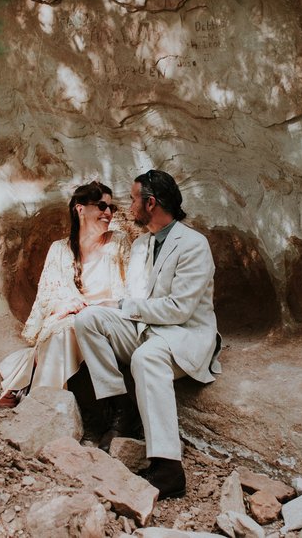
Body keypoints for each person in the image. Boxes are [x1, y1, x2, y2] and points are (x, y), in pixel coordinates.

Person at [74, 169, 221, 499]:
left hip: (184, 335)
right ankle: (121, 406)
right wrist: (117, 307)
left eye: (134, 199)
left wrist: (127, 307)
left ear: (151, 203)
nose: (129, 206)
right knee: (89, 320)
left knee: (146, 356)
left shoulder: (194, 244)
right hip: (147, 329)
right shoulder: (141, 245)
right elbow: (133, 298)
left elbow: (179, 309)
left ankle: (168, 467)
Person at [0, 181, 130, 407]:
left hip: (107, 315)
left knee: (75, 326)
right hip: (69, 315)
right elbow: (49, 293)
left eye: (111, 208)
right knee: (65, 329)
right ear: (80, 209)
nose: (108, 213)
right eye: (101, 206)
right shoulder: (60, 249)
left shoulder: (118, 242)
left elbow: (129, 289)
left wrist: (96, 307)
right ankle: (46, 403)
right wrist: (69, 305)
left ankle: (35, 395)